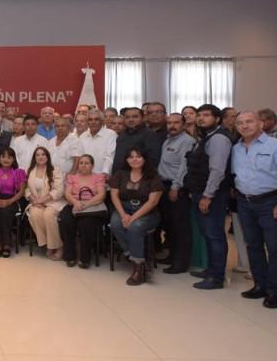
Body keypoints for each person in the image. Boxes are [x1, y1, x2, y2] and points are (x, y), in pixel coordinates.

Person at [172, 104, 233, 290]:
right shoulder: (206, 137)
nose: (200, 118)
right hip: (200, 192)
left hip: (212, 195)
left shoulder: (219, 139)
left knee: (214, 235)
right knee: (208, 233)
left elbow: (217, 170)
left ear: (217, 119)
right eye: (199, 115)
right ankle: (211, 270)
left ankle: (216, 277)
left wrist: (207, 195)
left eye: (206, 115)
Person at [232, 111, 277, 309]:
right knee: (253, 245)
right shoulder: (236, 149)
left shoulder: (275, 146)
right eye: (240, 123)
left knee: (275, 248)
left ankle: (275, 291)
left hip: (270, 202)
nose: (245, 126)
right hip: (245, 202)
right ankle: (260, 285)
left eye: (249, 121)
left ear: (261, 123)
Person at [109, 148, 164, 286]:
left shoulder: (153, 176)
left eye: (138, 156)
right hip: (124, 209)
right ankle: (134, 256)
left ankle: (138, 269)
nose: (134, 159)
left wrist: (132, 218)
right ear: (127, 160)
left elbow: (153, 202)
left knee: (135, 227)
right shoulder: (120, 174)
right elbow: (114, 196)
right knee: (115, 224)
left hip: (147, 212)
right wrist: (123, 215)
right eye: (131, 157)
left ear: (144, 159)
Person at [157, 113, 197, 274]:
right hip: (164, 185)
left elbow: (184, 166)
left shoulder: (187, 141)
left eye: (176, 122)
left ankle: (181, 262)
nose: (172, 126)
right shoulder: (168, 140)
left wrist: (176, 186)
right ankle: (172, 256)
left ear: (184, 124)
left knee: (180, 226)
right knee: (170, 225)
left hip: (177, 188)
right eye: (169, 123)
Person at [58, 155, 107, 268]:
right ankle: (70, 256)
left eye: (87, 163)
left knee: (85, 224)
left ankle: (85, 258)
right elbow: (67, 194)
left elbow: (101, 195)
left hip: (92, 206)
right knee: (65, 221)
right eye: (81, 163)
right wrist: (76, 202)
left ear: (92, 165)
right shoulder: (71, 177)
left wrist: (86, 204)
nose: (83, 165)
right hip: (74, 204)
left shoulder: (98, 177)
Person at [25, 147, 66, 260]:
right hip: (36, 202)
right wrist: (33, 199)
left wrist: (42, 200)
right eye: (37, 155)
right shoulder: (30, 171)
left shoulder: (55, 170)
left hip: (53, 202)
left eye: (43, 154)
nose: (40, 157)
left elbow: (59, 190)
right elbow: (27, 189)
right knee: (34, 214)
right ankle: (49, 244)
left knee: (48, 215)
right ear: (34, 158)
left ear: (47, 157)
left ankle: (58, 246)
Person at [0, 147, 26, 258]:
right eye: (3, 156)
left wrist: (9, 201)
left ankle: (7, 244)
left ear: (13, 159)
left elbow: (21, 192)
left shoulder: (19, 172)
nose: (6, 159)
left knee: (6, 212)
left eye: (9, 157)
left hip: (13, 199)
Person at [112, 107, 162, 173]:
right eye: (127, 117)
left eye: (135, 117)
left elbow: (153, 160)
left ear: (143, 118)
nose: (131, 120)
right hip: (119, 175)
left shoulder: (149, 135)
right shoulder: (122, 135)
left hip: (138, 176)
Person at [78, 109, 117, 178]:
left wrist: (105, 173)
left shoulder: (111, 135)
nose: (93, 122)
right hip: (85, 177)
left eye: (96, 119)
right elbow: (80, 157)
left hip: (103, 176)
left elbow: (110, 156)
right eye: (90, 120)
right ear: (87, 122)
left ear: (102, 121)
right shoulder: (82, 136)